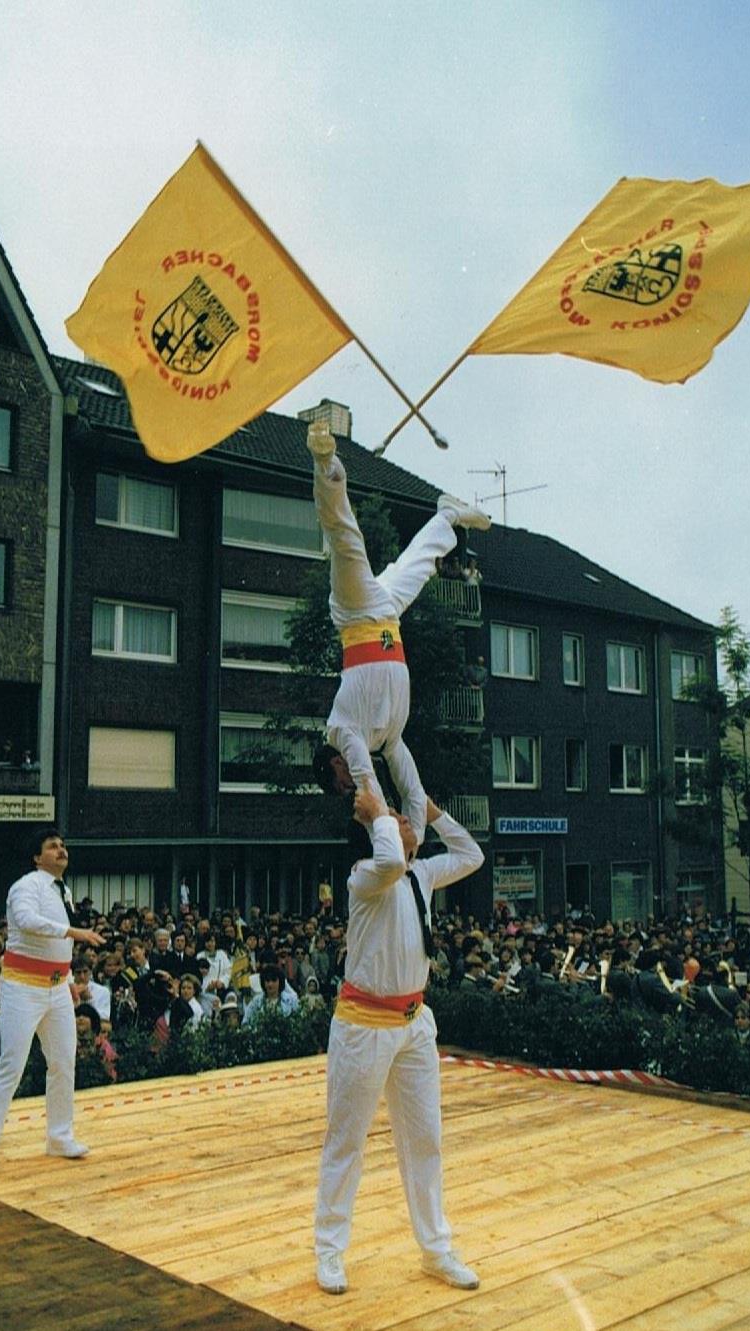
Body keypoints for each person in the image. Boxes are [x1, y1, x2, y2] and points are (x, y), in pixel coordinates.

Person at [314, 785, 484, 1296]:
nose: (404, 820)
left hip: (413, 1023)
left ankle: (436, 1249)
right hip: (364, 1024)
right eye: (396, 817)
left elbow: (471, 855)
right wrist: (374, 814)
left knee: (425, 1139)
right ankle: (329, 1250)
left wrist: (435, 813)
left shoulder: (421, 874)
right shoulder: (367, 875)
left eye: (404, 817)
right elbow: (388, 858)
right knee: (347, 1141)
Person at [306, 418, 490, 843]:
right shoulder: (387, 740)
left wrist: (382, 826)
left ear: (334, 765)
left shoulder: (342, 732)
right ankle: (448, 514)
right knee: (419, 563)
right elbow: (413, 789)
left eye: (342, 785)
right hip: (387, 618)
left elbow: (367, 780)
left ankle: (325, 463)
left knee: (345, 541)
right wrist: (414, 840)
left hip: (356, 614)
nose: (350, 788)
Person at [0, 827, 104, 1174]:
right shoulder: (26, 886)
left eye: (63, 845)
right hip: (22, 987)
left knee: (63, 1062)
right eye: (52, 846)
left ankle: (60, 1137)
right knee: (11, 1065)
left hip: (57, 987)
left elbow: (59, 946)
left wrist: (70, 980)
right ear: (36, 857)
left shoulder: (63, 890)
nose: (61, 850)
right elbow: (27, 922)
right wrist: (74, 931)